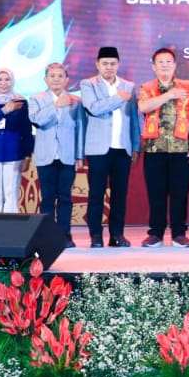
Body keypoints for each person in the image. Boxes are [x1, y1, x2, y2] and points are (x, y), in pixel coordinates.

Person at [136, 48, 189, 248]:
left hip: (181, 149)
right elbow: (143, 107)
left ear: (174, 66)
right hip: (154, 150)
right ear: (153, 67)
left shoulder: (188, 87)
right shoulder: (147, 88)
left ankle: (179, 233)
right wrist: (169, 95)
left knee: (179, 194)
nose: (165, 65)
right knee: (155, 194)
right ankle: (155, 234)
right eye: (160, 62)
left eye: (168, 61)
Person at [79, 46, 141, 248]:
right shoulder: (88, 84)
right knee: (96, 193)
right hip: (98, 148)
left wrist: (136, 145)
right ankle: (96, 236)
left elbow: (134, 119)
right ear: (97, 64)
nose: (109, 67)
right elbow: (94, 108)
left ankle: (117, 235)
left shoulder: (129, 86)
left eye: (113, 63)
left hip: (122, 148)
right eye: (105, 63)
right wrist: (118, 98)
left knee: (119, 194)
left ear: (118, 64)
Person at [27, 62, 81, 247]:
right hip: (46, 156)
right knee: (48, 197)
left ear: (67, 79)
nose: (56, 79)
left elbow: (80, 129)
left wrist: (79, 155)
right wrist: (55, 105)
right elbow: (36, 120)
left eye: (60, 76)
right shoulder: (36, 99)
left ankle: (65, 235)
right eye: (52, 76)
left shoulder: (76, 101)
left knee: (65, 197)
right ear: (45, 79)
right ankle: (48, 237)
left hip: (67, 155)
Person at [0, 67, 34, 213]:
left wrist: (27, 155)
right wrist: (4, 110)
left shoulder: (21, 102)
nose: (3, 83)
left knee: (11, 193)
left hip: (14, 152)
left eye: (7, 79)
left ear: (12, 81)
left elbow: (26, 130)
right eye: (0, 79)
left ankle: (11, 225)